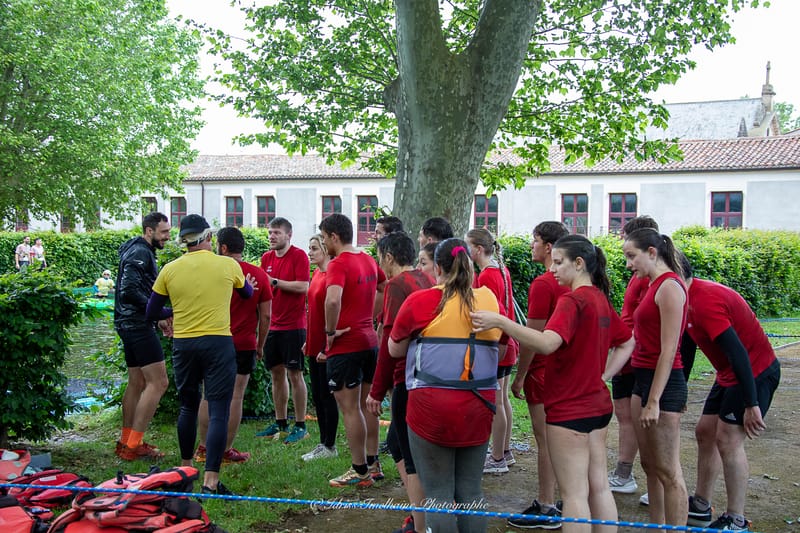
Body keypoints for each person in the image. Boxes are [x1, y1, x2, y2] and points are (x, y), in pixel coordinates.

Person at [472, 235, 634, 533]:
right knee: (598, 487)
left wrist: (502, 322)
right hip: (598, 405)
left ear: (580, 263)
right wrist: (603, 377)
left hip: (569, 409)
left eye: (559, 263)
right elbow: (627, 341)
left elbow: (547, 343)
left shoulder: (571, 301)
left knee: (574, 494)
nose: (554, 269)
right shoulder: (599, 297)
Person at [389, 238, 501, 533]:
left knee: (438, 495)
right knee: (471, 492)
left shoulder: (421, 300)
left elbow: (394, 350)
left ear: (436, 267)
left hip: (431, 410)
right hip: (479, 406)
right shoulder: (488, 298)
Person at [146, 214, 252, 496]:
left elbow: (151, 312)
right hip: (218, 343)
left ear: (183, 240)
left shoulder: (170, 269)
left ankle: (185, 467)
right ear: (209, 237)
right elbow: (247, 294)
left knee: (188, 406)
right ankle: (211, 481)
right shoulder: (228, 264)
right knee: (218, 409)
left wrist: (174, 312)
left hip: (184, 344)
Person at [681, 258, 780, 531]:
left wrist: (752, 402)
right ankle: (701, 504)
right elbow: (688, 345)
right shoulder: (682, 299)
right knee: (705, 431)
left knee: (727, 440)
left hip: (754, 371)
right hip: (728, 374)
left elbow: (738, 354)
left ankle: (736, 519)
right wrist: (681, 391)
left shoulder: (705, 301)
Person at [605, 228, 689, 526]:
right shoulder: (652, 283)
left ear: (652, 253)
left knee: (668, 471)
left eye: (632, 256)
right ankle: (656, 527)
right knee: (650, 465)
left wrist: (654, 400)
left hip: (663, 385)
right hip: (642, 378)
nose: (628, 264)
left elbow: (669, 350)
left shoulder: (669, 287)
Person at [367, 232, 434, 533]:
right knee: (397, 442)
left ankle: (421, 522)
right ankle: (420, 513)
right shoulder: (425, 279)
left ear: (389, 258)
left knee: (409, 455)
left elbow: (390, 343)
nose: (380, 264)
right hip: (426, 376)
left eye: (380, 257)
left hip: (406, 379)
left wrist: (376, 391)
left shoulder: (397, 285)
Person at [508, 220, 569, 529]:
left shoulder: (544, 284)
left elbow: (532, 336)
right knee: (562, 439)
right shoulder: (577, 282)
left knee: (545, 440)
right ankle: (562, 498)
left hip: (544, 371)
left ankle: (546, 506)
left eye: (534, 240)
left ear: (548, 247)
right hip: (568, 371)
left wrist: (521, 376)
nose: (530, 245)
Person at [195, 227, 272, 465]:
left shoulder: (210, 273)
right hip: (244, 343)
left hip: (213, 340)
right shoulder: (258, 275)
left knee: (209, 395)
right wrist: (261, 344)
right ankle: (226, 450)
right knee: (236, 397)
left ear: (223, 247)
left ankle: (204, 448)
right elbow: (266, 316)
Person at [319, 213, 381, 488]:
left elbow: (332, 300)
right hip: (369, 341)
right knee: (369, 405)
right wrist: (369, 317)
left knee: (350, 409)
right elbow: (382, 286)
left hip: (347, 345)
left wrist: (330, 332)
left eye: (323, 238)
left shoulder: (339, 263)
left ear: (334, 236)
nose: (323, 244)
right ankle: (373, 462)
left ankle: (359, 471)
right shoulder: (368, 258)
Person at [113, 212, 172, 461]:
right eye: (164, 232)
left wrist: (155, 315)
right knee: (159, 383)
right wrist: (159, 311)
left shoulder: (136, 249)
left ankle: (126, 441)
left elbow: (135, 290)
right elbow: (128, 291)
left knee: (136, 382)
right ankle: (134, 444)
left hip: (128, 323)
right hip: (136, 325)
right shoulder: (140, 252)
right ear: (149, 231)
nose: (168, 237)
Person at [608, 215, 660, 498]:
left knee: (634, 417)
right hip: (627, 352)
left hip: (635, 355)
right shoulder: (639, 275)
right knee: (625, 414)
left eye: (629, 249)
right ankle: (625, 472)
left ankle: (630, 474)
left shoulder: (652, 279)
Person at [466, 228, 518, 475]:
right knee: (503, 398)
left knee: (496, 401)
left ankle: (497, 457)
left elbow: (497, 314)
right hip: (506, 345)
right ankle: (504, 450)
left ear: (477, 249)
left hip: (498, 345)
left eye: (468, 246)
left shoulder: (487, 276)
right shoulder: (500, 270)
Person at [257, 217, 311, 444]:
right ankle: (280, 422)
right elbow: (262, 288)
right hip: (272, 325)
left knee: (295, 374)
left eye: (277, 233)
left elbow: (304, 286)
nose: (271, 236)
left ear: (289, 235)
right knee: (276, 374)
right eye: (270, 232)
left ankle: (300, 424)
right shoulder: (266, 258)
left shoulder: (299, 256)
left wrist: (275, 282)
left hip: (294, 326)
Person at [301, 234, 340, 462]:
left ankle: (330, 444)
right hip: (313, 341)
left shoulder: (330, 276)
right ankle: (323, 442)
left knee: (327, 396)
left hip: (326, 344)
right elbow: (313, 309)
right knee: (317, 394)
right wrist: (309, 339)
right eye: (309, 248)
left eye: (314, 248)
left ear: (325, 249)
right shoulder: (316, 273)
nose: (310, 252)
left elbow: (335, 309)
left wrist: (327, 344)